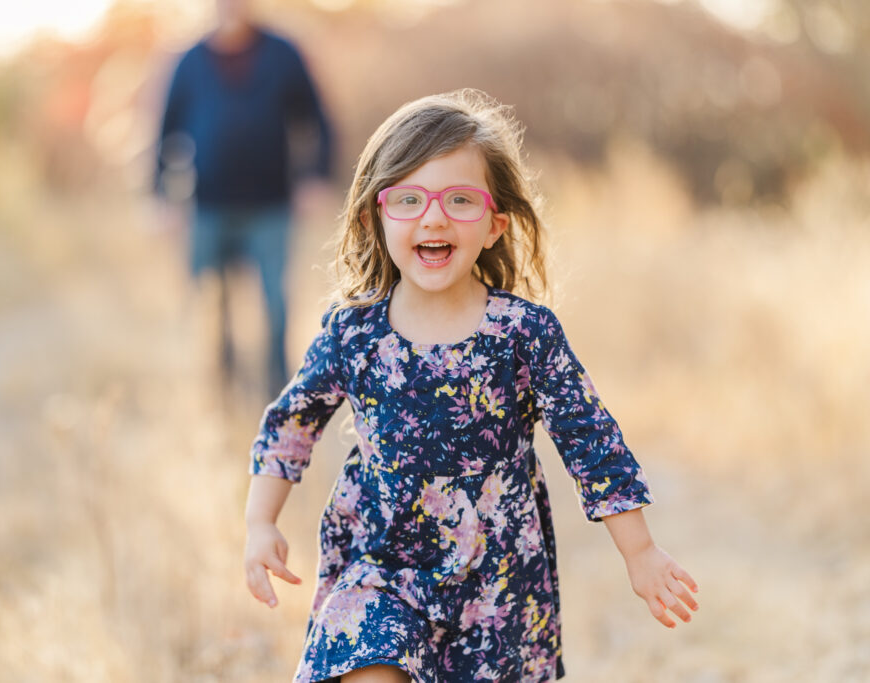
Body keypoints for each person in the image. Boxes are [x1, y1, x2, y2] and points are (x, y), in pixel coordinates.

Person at [243, 90, 698, 683]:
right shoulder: (353, 332)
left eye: (459, 200)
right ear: (373, 220)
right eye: (408, 199)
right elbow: (293, 422)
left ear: (494, 225)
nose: (433, 218)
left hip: (498, 583)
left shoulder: (523, 334)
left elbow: (590, 439)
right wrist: (260, 522)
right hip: (382, 563)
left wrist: (639, 551)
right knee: (365, 663)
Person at [154, 0, 334, 399]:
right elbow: (164, 130)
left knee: (275, 301)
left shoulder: (282, 53)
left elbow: (318, 118)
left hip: (271, 204)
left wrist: (315, 176)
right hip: (210, 206)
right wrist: (161, 196)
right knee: (213, 300)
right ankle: (224, 386)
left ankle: (279, 388)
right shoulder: (190, 62)